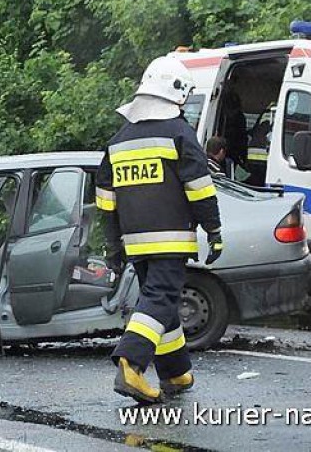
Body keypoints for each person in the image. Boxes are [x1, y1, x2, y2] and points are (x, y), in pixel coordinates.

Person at [96, 56, 223, 404]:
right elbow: (199, 187)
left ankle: (175, 372)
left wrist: (113, 246)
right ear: (179, 96)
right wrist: (214, 230)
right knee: (160, 299)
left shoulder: (118, 141)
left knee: (161, 305)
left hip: (135, 243)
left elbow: (105, 201)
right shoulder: (180, 134)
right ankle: (131, 365)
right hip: (171, 239)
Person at [245, 102, 276, 187]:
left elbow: (255, 130)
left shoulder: (265, 114)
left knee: (255, 181)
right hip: (265, 156)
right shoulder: (278, 115)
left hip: (252, 154)